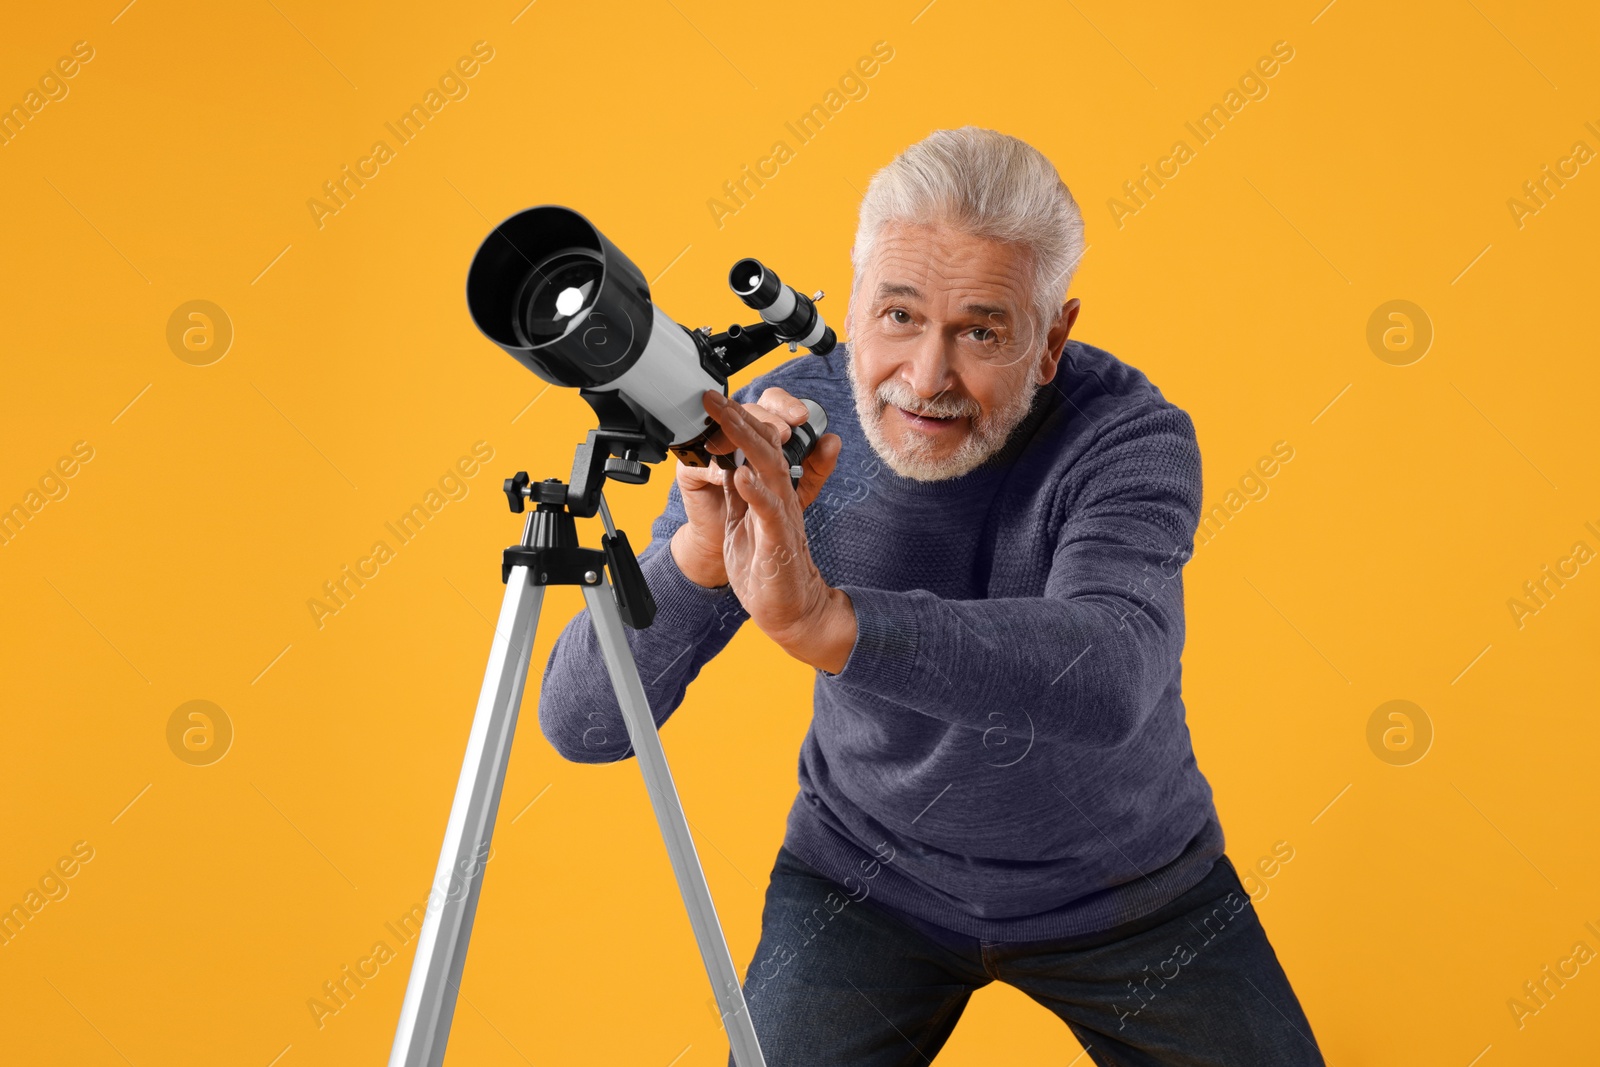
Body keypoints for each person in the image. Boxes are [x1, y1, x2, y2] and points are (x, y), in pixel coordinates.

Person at [537, 126, 1324, 1066]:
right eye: (898, 316)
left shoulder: (1128, 438)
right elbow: (584, 726)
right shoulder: (788, 422)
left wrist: (830, 624)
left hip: (1125, 888)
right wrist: (701, 556)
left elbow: (1111, 671)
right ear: (856, 295)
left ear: (1050, 340)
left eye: (981, 331)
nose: (925, 379)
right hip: (864, 879)